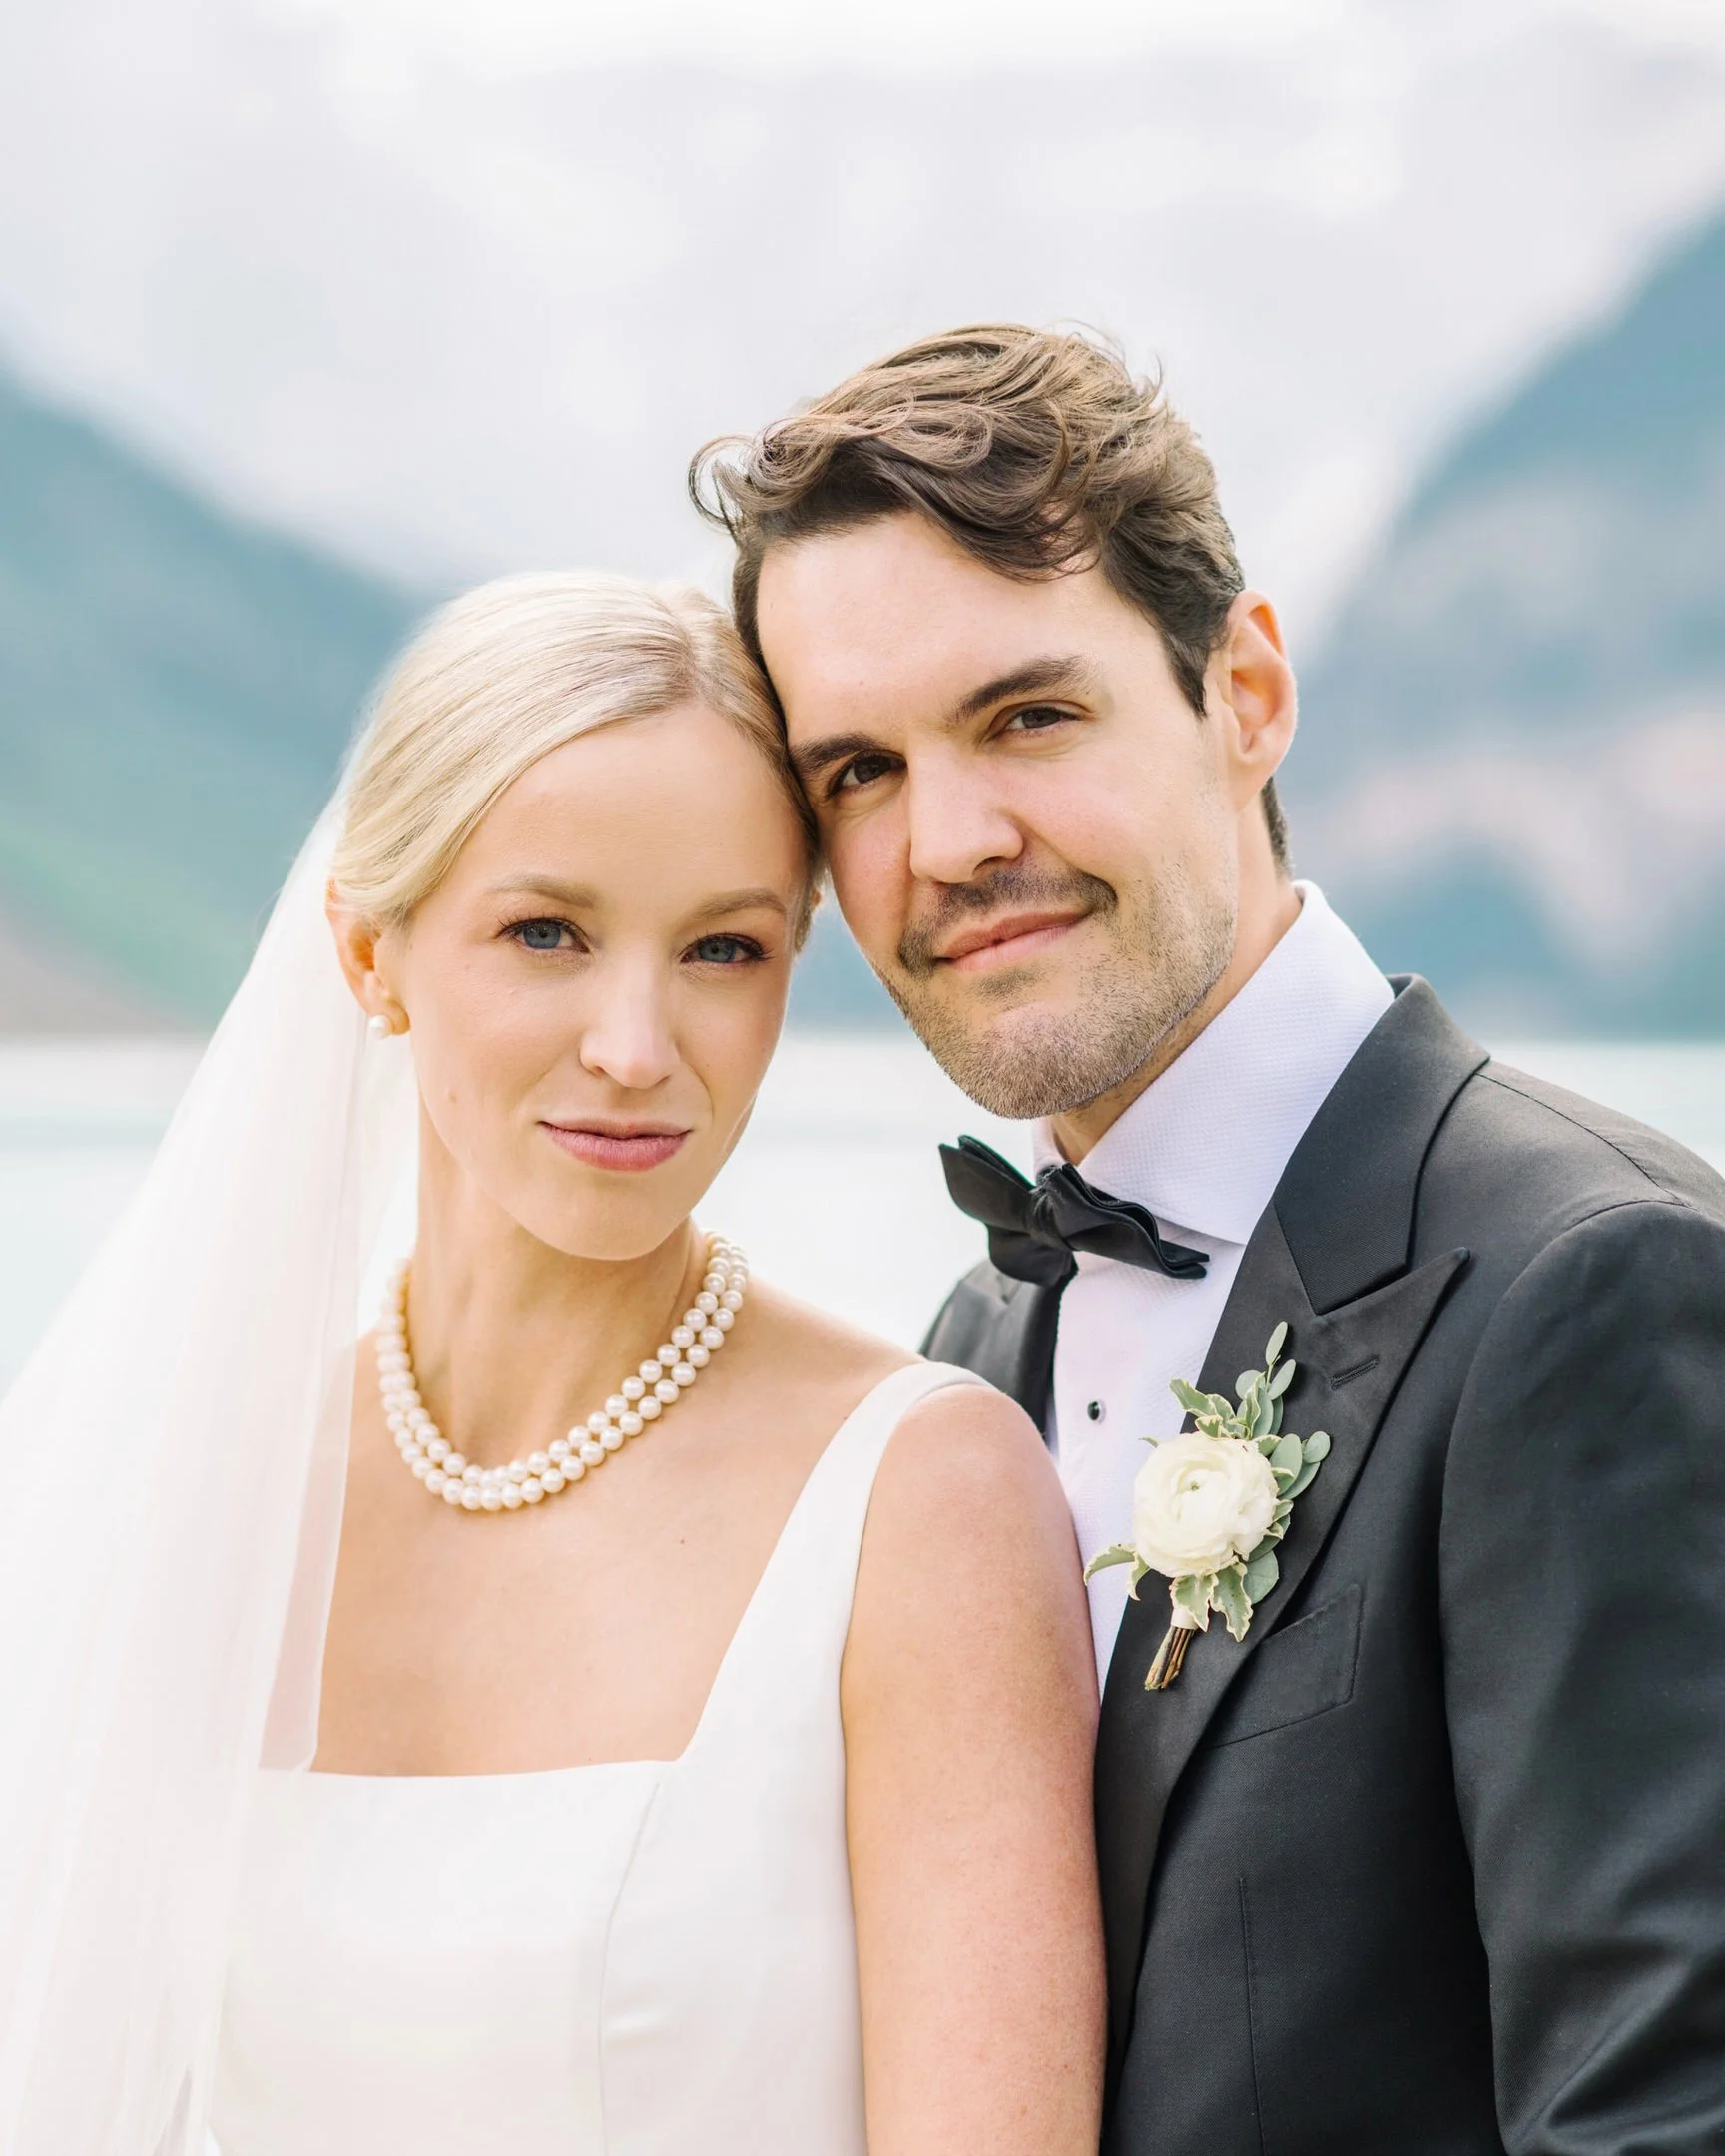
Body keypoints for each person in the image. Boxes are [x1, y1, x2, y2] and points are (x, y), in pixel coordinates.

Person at [693, 326, 1725, 2156]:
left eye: (1028, 715)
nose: (950, 839)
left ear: (1243, 691)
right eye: (858, 771)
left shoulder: (1599, 1284)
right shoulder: (968, 1354)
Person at [0, 573, 1104, 2156]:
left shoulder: (921, 1503)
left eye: (723, 950)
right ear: (370, 955)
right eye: (545, 933)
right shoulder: (210, 1483)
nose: (638, 1047)